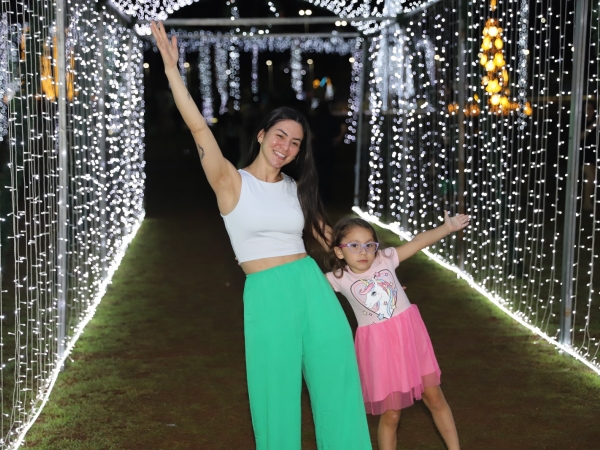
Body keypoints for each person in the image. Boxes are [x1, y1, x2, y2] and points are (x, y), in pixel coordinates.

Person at [150, 22, 372, 450]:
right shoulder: (231, 182)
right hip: (268, 293)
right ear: (261, 135)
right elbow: (199, 129)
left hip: (312, 286)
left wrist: (374, 267)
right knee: (275, 394)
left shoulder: (295, 188)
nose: (286, 146)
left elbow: (332, 240)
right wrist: (173, 71)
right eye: (280, 136)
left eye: (295, 143)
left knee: (338, 378)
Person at [325, 213, 469, 450]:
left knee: (434, 398)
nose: (363, 252)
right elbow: (300, 285)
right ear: (339, 252)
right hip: (380, 349)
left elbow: (418, 242)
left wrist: (447, 228)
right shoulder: (337, 278)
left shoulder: (385, 259)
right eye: (354, 246)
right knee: (391, 415)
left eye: (369, 245)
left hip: (410, 337)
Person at [581, 102, 598, 212]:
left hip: (594, 153)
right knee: (591, 177)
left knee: (593, 178)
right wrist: (593, 125)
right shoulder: (581, 122)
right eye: (587, 108)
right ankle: (587, 202)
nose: (589, 110)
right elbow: (580, 136)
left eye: (591, 108)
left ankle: (588, 202)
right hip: (584, 153)